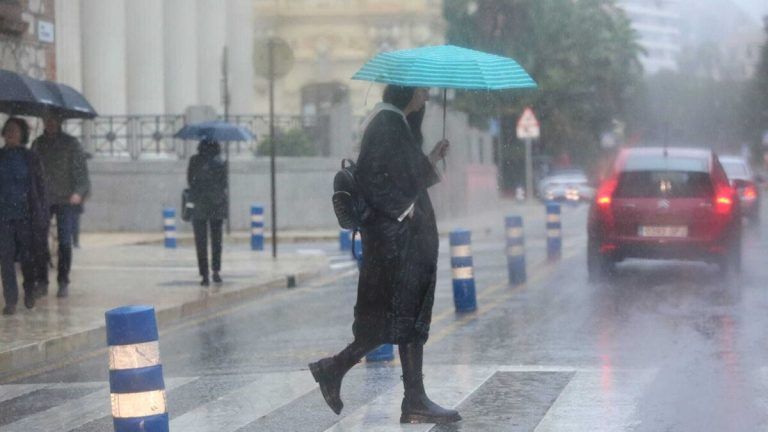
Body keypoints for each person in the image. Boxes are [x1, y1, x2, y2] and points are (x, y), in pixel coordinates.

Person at [308, 85, 458, 424]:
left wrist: (432, 157)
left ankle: (336, 370)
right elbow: (374, 179)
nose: (426, 97)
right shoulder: (387, 123)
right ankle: (412, 399)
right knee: (403, 316)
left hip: (398, 241)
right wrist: (406, 211)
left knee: (396, 319)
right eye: (423, 91)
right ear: (408, 91)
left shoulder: (395, 123)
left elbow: (402, 176)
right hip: (397, 242)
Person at [31, 113, 90, 298]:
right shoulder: (38, 144)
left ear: (59, 122)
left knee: (65, 241)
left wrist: (78, 192)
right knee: (39, 240)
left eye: (53, 120)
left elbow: (81, 172)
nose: (49, 123)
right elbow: (31, 170)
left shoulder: (71, 144)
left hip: (66, 199)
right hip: (44, 199)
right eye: (47, 120)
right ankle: (42, 280)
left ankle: (63, 280)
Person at [0, 118, 48, 315]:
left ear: (22, 134)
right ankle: (10, 299)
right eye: (8, 130)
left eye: (15, 130)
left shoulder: (30, 157)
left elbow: (40, 186)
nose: (11, 133)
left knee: (28, 258)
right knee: (6, 258)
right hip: (3, 216)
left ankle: (29, 289)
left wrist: (42, 212)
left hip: (26, 216)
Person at [187, 139, 227, 287]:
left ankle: (204, 274)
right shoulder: (221, 162)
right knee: (217, 241)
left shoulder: (194, 160)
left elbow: (190, 181)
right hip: (216, 205)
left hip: (199, 205)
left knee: (201, 242)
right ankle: (216, 271)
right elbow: (225, 184)